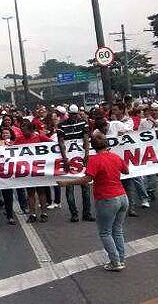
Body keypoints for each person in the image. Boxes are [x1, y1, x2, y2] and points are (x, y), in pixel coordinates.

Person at [58, 132, 129, 271]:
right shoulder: (115, 156)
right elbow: (125, 171)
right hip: (122, 196)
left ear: (92, 146)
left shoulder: (94, 160)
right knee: (117, 230)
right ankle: (121, 259)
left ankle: (115, 262)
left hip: (106, 198)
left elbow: (87, 179)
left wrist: (66, 182)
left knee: (105, 232)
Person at [57, 104, 95, 223]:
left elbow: (86, 139)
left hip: (80, 159)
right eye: (72, 114)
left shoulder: (83, 123)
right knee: (69, 189)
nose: (74, 116)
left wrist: (87, 154)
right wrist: (65, 159)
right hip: (69, 158)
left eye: (75, 114)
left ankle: (87, 213)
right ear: (69, 114)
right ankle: (74, 214)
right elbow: (61, 143)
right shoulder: (61, 125)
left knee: (85, 187)